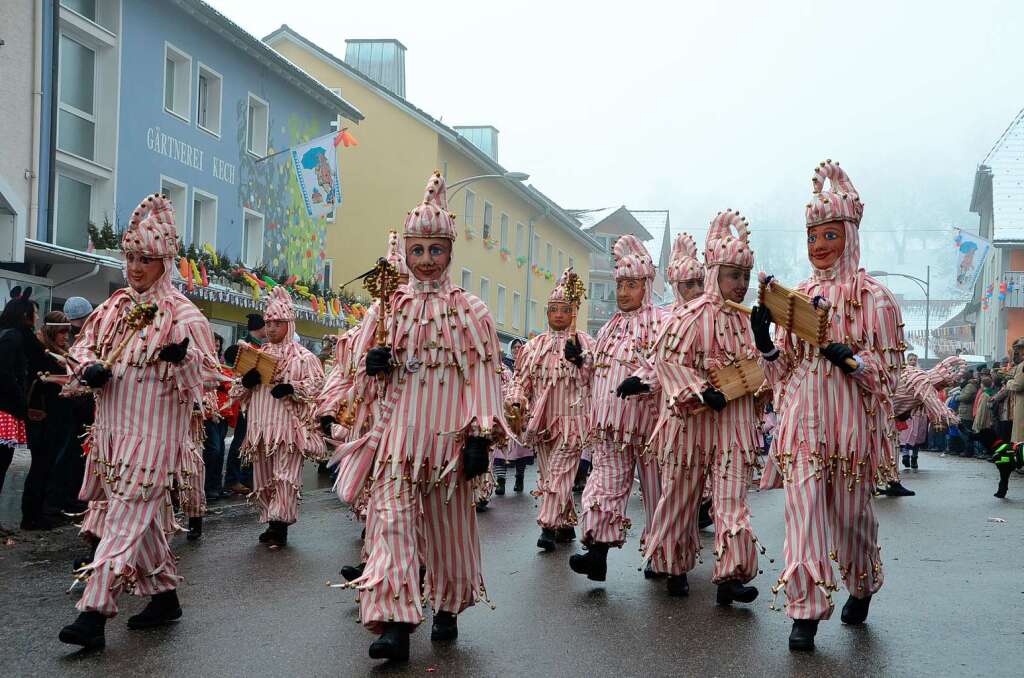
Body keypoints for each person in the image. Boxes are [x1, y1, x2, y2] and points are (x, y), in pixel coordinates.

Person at [331, 172, 510, 661]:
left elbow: (483, 377)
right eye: (417, 251)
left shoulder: (473, 313)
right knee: (389, 526)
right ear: (406, 253)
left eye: (435, 250)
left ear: (449, 253)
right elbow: (361, 378)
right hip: (396, 442)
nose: (426, 261)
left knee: (449, 533)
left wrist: (480, 436)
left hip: (449, 446)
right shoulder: (388, 310)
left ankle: (447, 607)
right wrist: (373, 366)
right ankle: (395, 623)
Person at [750, 161, 904, 652]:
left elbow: (890, 379)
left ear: (850, 236)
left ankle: (862, 583)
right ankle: (806, 612)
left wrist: (855, 361)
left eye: (829, 235)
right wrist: (767, 344)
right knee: (804, 513)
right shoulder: (798, 297)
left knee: (853, 519)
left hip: (851, 428)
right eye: (813, 237)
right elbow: (781, 374)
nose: (818, 247)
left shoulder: (876, 299)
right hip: (802, 423)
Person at [58, 193, 221, 649]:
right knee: (138, 524)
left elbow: (211, 378)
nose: (135, 267)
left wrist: (182, 359)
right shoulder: (113, 307)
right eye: (130, 257)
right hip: (110, 439)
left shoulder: (184, 314)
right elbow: (82, 348)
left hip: (153, 442)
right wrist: (87, 368)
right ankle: (165, 597)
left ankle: (93, 614)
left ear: (164, 262)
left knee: (122, 523)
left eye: (145, 260)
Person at [633, 210, 763, 603]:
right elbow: (669, 362)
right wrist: (698, 391)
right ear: (714, 274)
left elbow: (765, 370)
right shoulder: (689, 316)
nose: (739, 285)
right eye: (732, 275)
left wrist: (763, 361)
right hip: (690, 424)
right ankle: (672, 564)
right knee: (680, 496)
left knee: (730, 500)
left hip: (734, 424)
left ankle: (730, 575)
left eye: (744, 277)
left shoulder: (749, 321)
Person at [569, 234, 665, 583]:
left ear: (646, 284)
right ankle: (597, 554)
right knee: (605, 485)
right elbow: (594, 370)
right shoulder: (610, 326)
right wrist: (581, 360)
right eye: (620, 285)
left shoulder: (661, 321)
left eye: (631, 285)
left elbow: (668, 362)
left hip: (650, 426)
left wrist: (643, 379)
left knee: (659, 494)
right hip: (610, 426)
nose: (623, 292)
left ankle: (668, 558)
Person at [230, 286, 326, 547]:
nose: (271, 328)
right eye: (268, 323)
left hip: (288, 429)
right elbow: (236, 391)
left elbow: (318, 385)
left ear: (289, 324)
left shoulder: (304, 358)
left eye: (277, 323)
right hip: (260, 431)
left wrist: (293, 388)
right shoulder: (257, 356)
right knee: (264, 478)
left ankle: (279, 525)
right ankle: (271, 519)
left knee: (285, 477)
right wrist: (247, 383)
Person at [508, 268, 595, 552]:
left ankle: (546, 527)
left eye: (565, 309)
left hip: (573, 421)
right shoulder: (533, 347)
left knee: (558, 473)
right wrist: (517, 401)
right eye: (554, 309)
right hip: (542, 423)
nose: (559, 315)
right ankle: (566, 521)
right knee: (550, 476)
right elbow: (521, 382)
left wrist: (580, 361)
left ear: (574, 311)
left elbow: (594, 379)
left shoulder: (586, 344)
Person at [22, 311, 74, 530]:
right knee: (40, 466)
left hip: (54, 418)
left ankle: (39, 512)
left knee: (47, 465)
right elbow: (39, 382)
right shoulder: (41, 351)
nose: (65, 336)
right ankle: (32, 515)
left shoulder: (58, 351)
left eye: (67, 332)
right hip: (41, 418)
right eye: (62, 331)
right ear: (53, 331)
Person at [0, 286, 39, 533]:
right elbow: (6, 375)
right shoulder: (12, 337)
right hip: (4, 410)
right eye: (33, 314)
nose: (35, 320)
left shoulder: (5, 334)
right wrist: (21, 403)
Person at [892, 355, 963, 488]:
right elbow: (938, 407)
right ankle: (892, 476)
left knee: (912, 437)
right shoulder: (922, 381)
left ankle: (906, 463)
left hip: (898, 414)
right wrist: (955, 420)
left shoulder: (913, 373)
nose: (941, 388)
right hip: (891, 413)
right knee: (896, 441)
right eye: (942, 384)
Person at [223, 315, 263, 495]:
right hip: (244, 402)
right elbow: (235, 373)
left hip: (258, 403)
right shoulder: (245, 347)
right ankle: (233, 478)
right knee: (240, 441)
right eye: (266, 325)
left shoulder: (260, 347)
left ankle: (247, 477)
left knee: (252, 442)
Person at [955, 372, 979, 457]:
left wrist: (957, 397)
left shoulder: (969, 386)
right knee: (964, 431)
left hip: (967, 412)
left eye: (962, 378)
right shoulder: (967, 385)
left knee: (965, 432)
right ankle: (967, 450)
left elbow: (966, 397)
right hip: (964, 411)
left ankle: (968, 451)